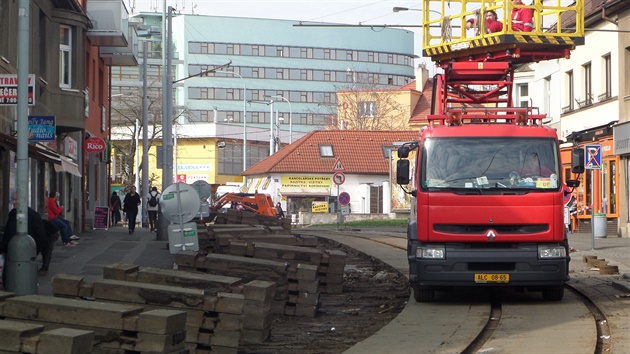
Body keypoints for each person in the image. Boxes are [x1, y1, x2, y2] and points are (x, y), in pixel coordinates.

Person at [1, 205, 57, 282]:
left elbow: (41, 235)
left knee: (47, 251)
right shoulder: (16, 214)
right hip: (42, 235)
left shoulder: (30, 217)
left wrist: (37, 249)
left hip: (50, 233)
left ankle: (45, 268)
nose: (14, 202)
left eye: (15, 200)